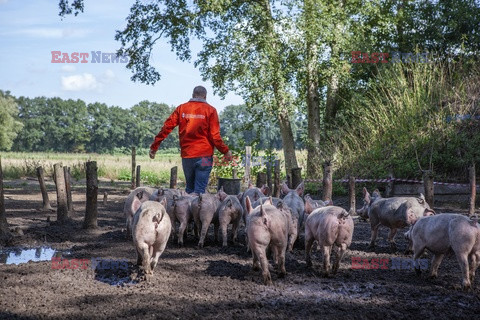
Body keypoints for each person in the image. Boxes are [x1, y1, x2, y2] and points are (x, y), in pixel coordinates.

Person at [149, 86, 232, 194]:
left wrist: (154, 146)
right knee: (200, 191)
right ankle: (198, 209)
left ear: (193, 95)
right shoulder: (211, 110)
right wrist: (225, 151)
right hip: (205, 157)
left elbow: (166, 128)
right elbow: (215, 136)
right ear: (205, 97)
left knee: (189, 189)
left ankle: (188, 209)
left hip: (187, 156)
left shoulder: (181, 108)